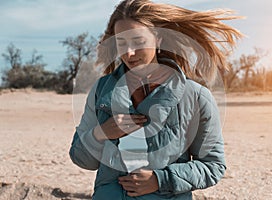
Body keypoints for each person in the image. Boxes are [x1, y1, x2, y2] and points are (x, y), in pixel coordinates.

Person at [69, 0, 242, 199]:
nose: (129, 53)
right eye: (122, 43)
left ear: (158, 39)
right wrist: (101, 133)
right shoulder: (101, 91)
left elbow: (213, 166)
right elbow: (82, 160)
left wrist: (160, 180)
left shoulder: (196, 96)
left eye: (138, 41)